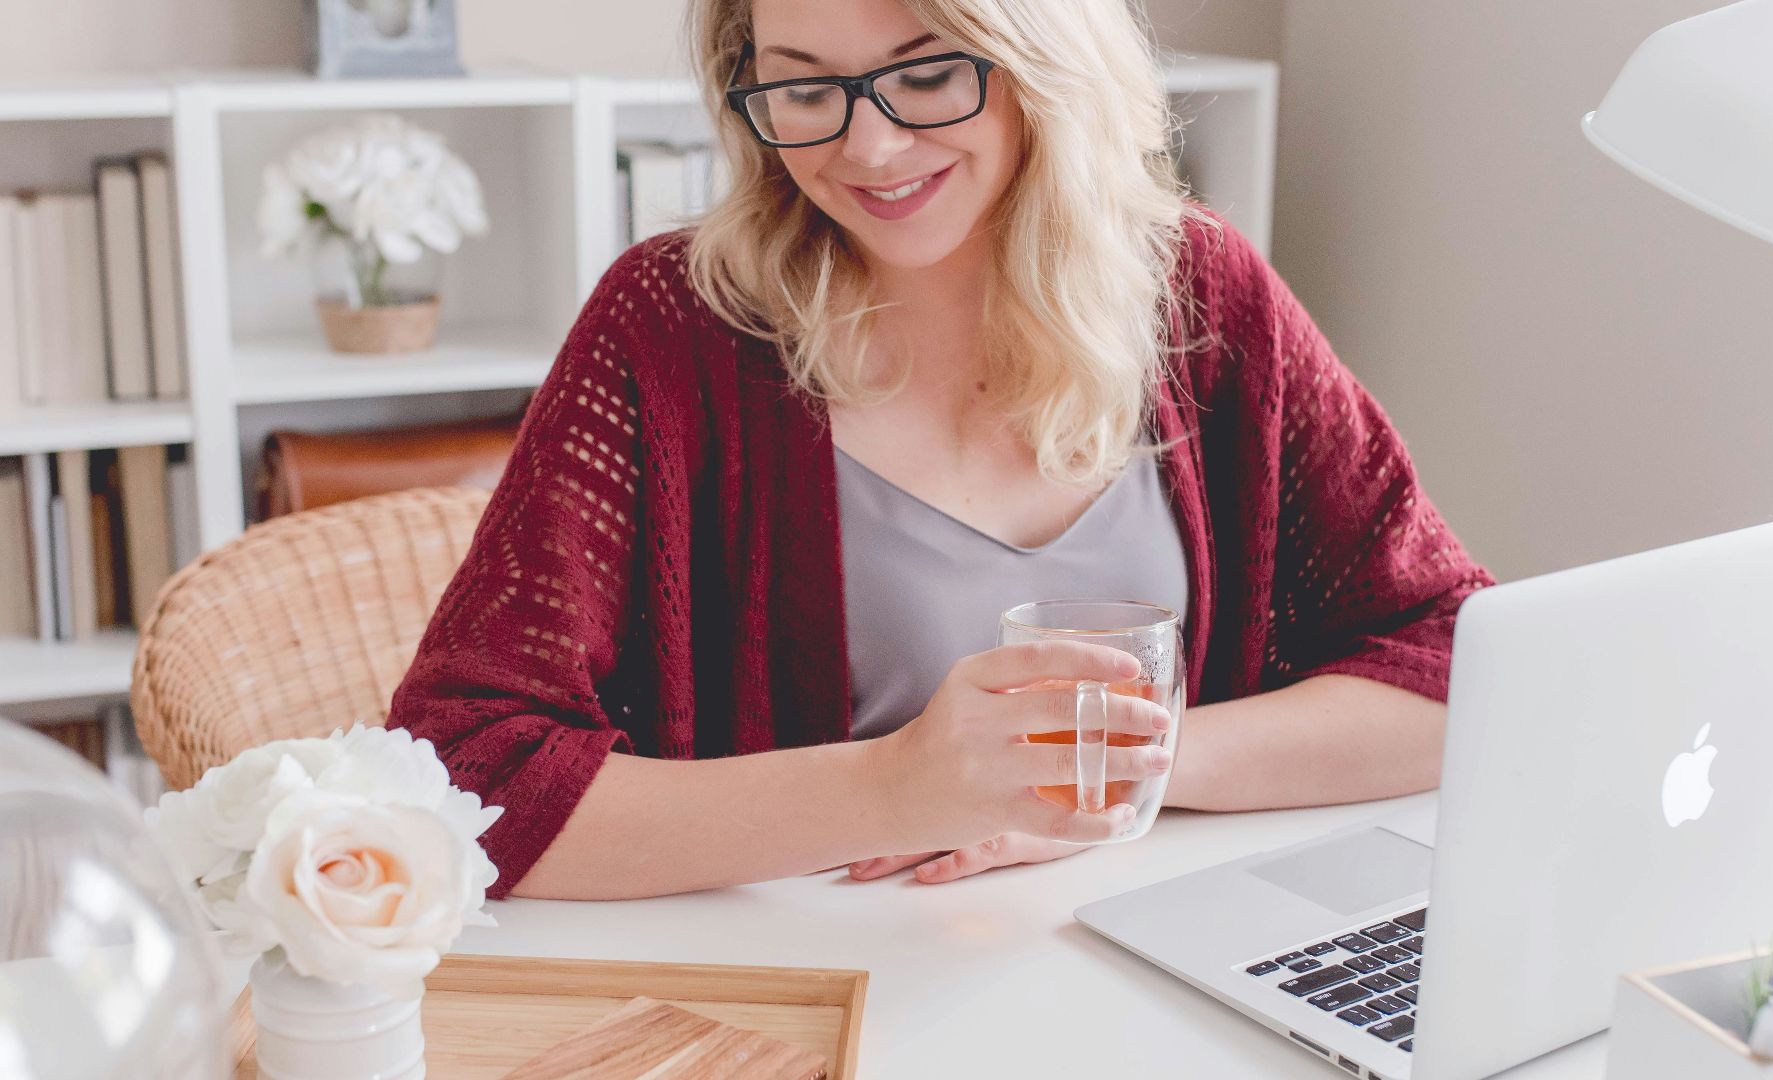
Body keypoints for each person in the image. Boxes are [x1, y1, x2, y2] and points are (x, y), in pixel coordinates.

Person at [388, 0, 1493, 901]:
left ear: (1041, 57)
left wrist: (1113, 778)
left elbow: (1460, 664)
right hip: (817, 991)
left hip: (1140, 957)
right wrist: (894, 787)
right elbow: (459, 769)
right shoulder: (672, 327)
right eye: (806, 86)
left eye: (928, 73)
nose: (867, 146)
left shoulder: (1202, 294)